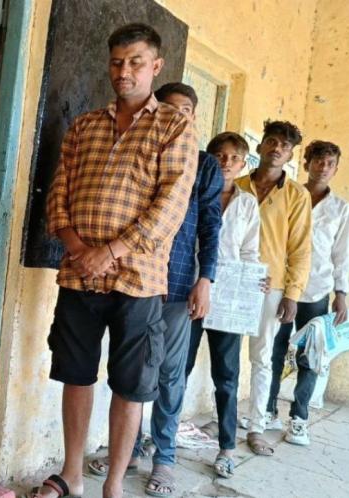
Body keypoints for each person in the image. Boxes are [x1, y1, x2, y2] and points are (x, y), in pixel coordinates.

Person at [35, 23, 197, 498]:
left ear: (156, 67)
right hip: (79, 273)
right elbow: (58, 194)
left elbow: (170, 206)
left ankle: (113, 484)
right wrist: (78, 248)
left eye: (135, 62)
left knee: (130, 385)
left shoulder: (175, 126)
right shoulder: (85, 125)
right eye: (117, 62)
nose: (124, 72)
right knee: (76, 372)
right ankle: (71, 474)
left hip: (138, 279)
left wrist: (110, 252)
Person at [87, 82, 223, 498]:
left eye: (186, 109)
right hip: (134, 279)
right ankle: (126, 454)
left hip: (178, 283)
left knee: (168, 374)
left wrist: (206, 279)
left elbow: (210, 226)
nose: (178, 115)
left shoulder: (203, 165)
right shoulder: (136, 150)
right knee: (129, 374)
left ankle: (163, 458)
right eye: (170, 108)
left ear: (195, 117)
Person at [184, 132, 262, 478]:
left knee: (227, 376)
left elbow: (249, 252)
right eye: (219, 155)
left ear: (244, 165)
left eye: (234, 158)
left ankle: (227, 447)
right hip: (189, 289)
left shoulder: (247, 204)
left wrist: (256, 279)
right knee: (176, 369)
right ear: (208, 157)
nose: (226, 163)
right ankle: (157, 438)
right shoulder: (194, 190)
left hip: (229, 298)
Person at [265, 140, 349, 446]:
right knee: (273, 350)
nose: (323, 168)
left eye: (330, 163)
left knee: (310, 356)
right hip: (281, 286)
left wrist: (341, 293)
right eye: (318, 161)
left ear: (335, 169)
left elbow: (342, 254)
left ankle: (299, 418)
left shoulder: (341, 209)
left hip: (317, 290)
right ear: (306, 164)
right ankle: (267, 409)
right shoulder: (290, 196)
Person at [236, 120, 311, 457]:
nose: (277, 148)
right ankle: (224, 416)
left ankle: (255, 426)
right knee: (224, 354)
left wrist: (293, 293)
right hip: (231, 282)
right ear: (260, 146)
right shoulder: (236, 185)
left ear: (291, 154)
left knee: (263, 357)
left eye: (285, 145)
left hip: (272, 286)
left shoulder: (297, 195)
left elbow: (300, 247)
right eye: (272, 141)